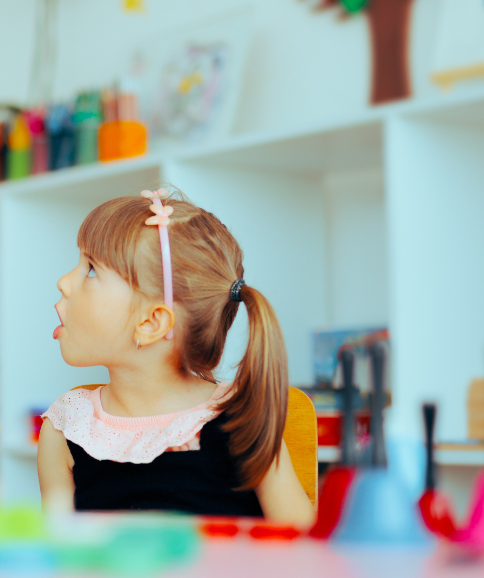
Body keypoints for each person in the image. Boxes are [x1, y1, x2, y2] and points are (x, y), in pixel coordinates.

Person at [39, 189, 315, 526]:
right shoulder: (66, 426)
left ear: (152, 322)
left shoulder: (239, 418)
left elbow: (302, 544)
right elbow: (58, 554)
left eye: (92, 269)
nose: (64, 282)